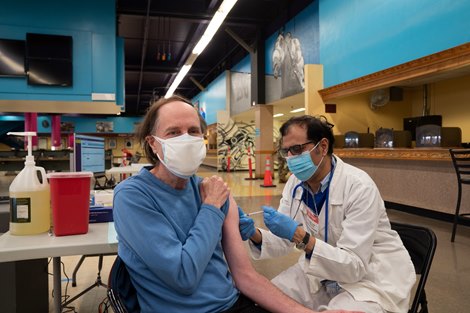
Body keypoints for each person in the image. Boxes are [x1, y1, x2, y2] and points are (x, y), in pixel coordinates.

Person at [113, 96, 361, 313]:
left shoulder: (213, 190)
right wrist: (210, 208)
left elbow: (245, 276)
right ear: (153, 143)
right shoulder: (133, 196)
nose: (186, 139)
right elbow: (183, 276)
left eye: (193, 131)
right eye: (173, 132)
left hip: (233, 304)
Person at [238, 115, 416, 313]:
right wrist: (254, 233)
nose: (290, 158)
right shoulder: (295, 184)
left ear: (323, 147)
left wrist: (300, 237)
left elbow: (354, 266)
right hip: (320, 272)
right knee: (266, 299)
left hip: (369, 278)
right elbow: (284, 240)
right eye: (286, 151)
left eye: (297, 149)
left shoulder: (358, 186)